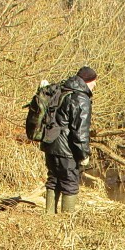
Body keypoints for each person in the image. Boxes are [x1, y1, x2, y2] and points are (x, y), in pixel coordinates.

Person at [41, 66, 96, 214]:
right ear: (88, 81)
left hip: (50, 144)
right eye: (94, 82)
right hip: (66, 149)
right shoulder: (81, 98)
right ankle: (67, 223)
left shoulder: (61, 90)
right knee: (70, 183)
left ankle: (49, 218)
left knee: (54, 180)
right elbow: (80, 132)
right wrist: (84, 154)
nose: (95, 86)